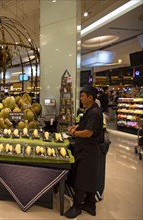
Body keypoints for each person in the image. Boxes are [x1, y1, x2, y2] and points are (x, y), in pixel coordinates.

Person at [64, 85, 103, 219]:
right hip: (85, 149)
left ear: (90, 98)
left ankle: (77, 207)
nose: (80, 99)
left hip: (88, 150)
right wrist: (77, 126)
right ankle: (90, 205)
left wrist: (75, 132)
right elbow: (85, 126)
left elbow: (88, 132)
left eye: (82, 96)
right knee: (88, 177)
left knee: (82, 178)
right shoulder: (90, 110)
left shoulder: (95, 113)